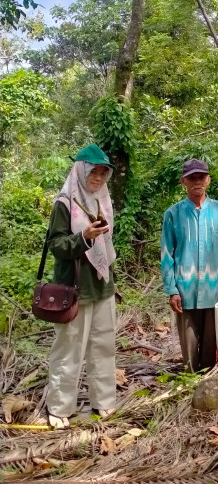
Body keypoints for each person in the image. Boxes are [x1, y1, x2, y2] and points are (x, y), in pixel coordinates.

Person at [46, 144, 117, 429]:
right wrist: (84, 237)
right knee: (69, 349)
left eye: (103, 172)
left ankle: (104, 401)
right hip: (74, 288)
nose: (98, 178)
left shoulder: (103, 200)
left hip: (102, 286)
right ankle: (59, 408)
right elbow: (56, 245)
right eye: (93, 172)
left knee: (103, 346)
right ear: (80, 171)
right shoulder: (65, 203)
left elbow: (107, 246)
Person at [161, 158, 218, 372]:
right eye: (191, 177)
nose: (197, 181)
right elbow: (166, 255)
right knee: (190, 346)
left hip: (214, 290)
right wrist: (172, 290)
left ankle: (210, 380)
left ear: (208, 180)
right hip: (186, 290)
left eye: (201, 177)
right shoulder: (173, 214)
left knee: (213, 341)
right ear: (183, 181)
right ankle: (191, 381)